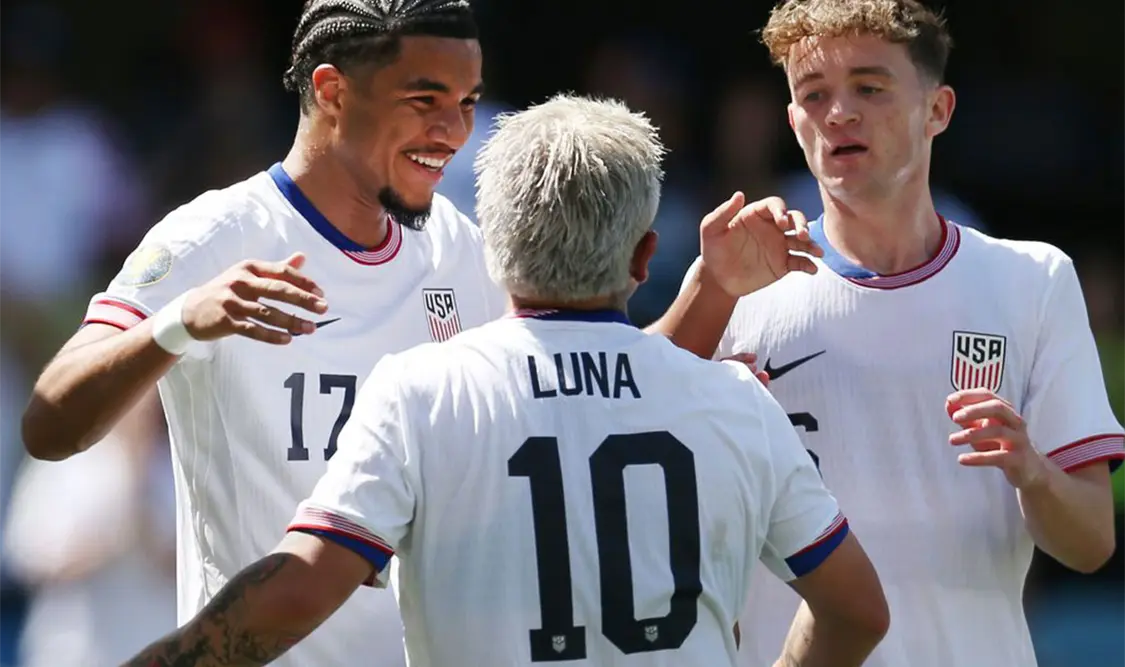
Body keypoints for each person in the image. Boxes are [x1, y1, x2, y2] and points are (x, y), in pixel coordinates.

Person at [21, 2, 820, 666]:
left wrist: (710, 290)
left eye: (469, 102)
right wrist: (177, 325)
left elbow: (593, 399)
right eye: (425, 98)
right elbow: (51, 423)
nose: (453, 131)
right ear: (332, 91)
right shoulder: (212, 236)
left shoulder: (454, 244)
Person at [675, 1, 1125, 666]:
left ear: (937, 110)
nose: (838, 113)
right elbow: (611, 434)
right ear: (793, 120)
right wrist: (706, 295)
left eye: (869, 87)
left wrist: (1031, 470)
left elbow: (1091, 541)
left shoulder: (1032, 278)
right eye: (813, 94)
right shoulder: (734, 277)